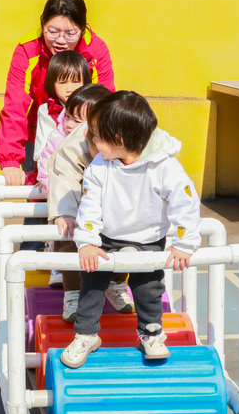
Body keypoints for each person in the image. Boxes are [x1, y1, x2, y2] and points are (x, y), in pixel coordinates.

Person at [61, 91, 201, 367]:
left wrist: (184, 244)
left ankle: (151, 334)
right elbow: (89, 205)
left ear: (119, 140)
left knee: (148, 287)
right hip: (106, 236)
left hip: (148, 238)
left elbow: (185, 203)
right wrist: (87, 242)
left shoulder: (165, 166)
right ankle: (86, 335)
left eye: (97, 136)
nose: (91, 141)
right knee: (92, 283)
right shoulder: (100, 165)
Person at [0, 0, 115, 188]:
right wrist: (10, 160)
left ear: (83, 29)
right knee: (39, 192)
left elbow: (104, 103)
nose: (60, 40)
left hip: (84, 134)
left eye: (70, 33)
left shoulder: (95, 50)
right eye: (53, 31)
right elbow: (15, 105)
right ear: (42, 24)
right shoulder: (27, 49)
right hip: (39, 134)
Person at [40, 84, 118, 321]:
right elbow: (62, 176)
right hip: (77, 202)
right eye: (69, 118)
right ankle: (72, 293)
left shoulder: (117, 136)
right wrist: (64, 212)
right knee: (69, 233)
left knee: (123, 237)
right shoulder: (70, 143)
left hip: (109, 207)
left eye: (80, 120)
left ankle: (116, 283)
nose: (71, 125)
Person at [35, 51, 93, 194]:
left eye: (76, 81)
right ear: (53, 85)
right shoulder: (46, 110)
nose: (70, 88)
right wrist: (45, 176)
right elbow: (43, 148)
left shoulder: (93, 106)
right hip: (54, 171)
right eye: (62, 82)